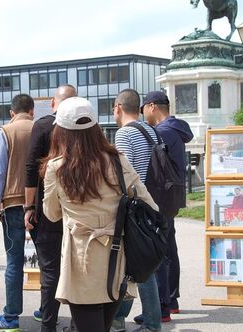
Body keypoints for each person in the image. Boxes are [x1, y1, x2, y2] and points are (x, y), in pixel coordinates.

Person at [42, 96, 158, 332]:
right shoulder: (117, 160)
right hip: (116, 260)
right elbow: (150, 206)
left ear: (61, 132)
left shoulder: (57, 168)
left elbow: (51, 214)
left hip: (80, 261)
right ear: (95, 127)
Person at [24, 84, 77, 332]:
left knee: (50, 271)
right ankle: (79, 323)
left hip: (47, 207)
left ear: (54, 104)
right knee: (78, 268)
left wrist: (28, 206)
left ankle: (48, 325)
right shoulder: (86, 128)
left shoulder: (44, 126)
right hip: (78, 208)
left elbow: (31, 167)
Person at [111, 89, 162, 332]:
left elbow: (125, 174)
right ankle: (136, 320)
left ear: (118, 107)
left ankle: (126, 320)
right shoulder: (151, 131)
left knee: (133, 267)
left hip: (135, 207)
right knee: (142, 265)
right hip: (152, 206)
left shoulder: (124, 134)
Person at [141, 90, 194, 324]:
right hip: (173, 196)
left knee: (159, 251)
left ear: (152, 106)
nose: (143, 113)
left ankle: (162, 306)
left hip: (160, 196)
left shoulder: (161, 132)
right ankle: (171, 301)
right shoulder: (177, 130)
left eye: (144, 108)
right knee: (169, 246)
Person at [0, 94, 35, 331]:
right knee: (49, 262)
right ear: (32, 110)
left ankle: (11, 317)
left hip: (13, 203)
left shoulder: (5, 132)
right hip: (40, 203)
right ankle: (47, 310)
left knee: (14, 261)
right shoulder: (41, 129)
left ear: (11, 112)